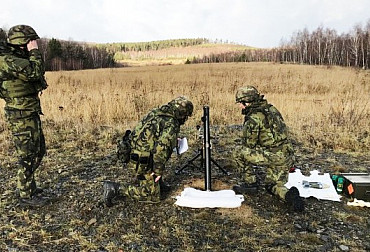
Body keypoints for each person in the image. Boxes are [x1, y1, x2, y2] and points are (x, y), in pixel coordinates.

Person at [103, 96, 193, 207]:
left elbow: (149, 134)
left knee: (153, 172)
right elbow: (161, 150)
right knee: (152, 196)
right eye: (186, 116)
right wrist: (157, 171)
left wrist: (173, 140)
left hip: (132, 152)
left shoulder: (156, 112)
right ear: (181, 114)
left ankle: (157, 184)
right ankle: (115, 188)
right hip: (141, 160)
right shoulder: (172, 123)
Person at [231, 86, 304, 212]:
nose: (240, 107)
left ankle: (250, 184)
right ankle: (289, 196)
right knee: (272, 185)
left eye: (241, 104)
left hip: (273, 156)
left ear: (247, 102)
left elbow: (249, 145)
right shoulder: (272, 108)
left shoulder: (253, 118)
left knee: (239, 152)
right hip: (286, 155)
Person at [0, 25, 48, 207]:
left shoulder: (16, 57)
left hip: (29, 111)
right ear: (22, 42)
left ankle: (30, 187)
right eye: (30, 41)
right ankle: (26, 194)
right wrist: (34, 52)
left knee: (38, 150)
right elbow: (35, 72)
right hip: (20, 115)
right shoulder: (7, 60)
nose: (33, 44)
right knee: (28, 154)